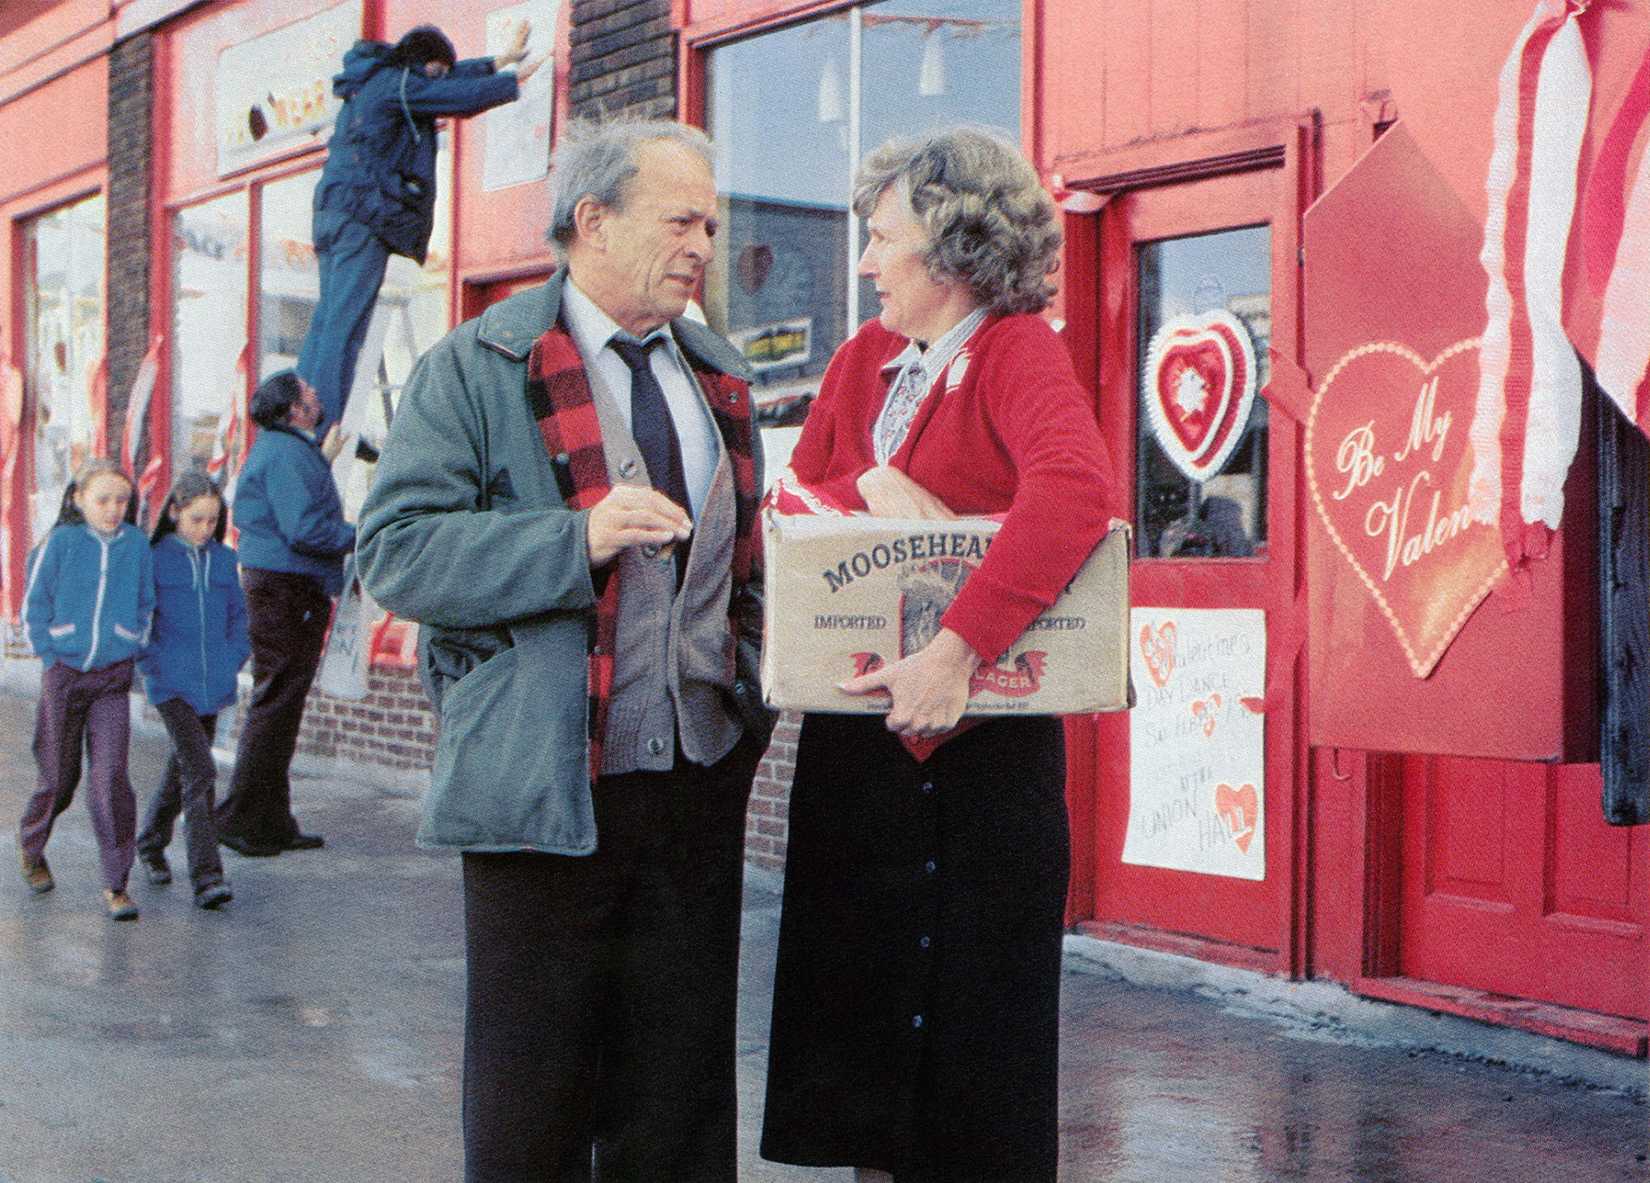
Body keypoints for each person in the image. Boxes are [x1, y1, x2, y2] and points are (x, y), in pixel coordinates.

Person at [356, 117, 771, 1182]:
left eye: (712, 226)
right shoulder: (477, 365)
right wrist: (571, 539)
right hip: (542, 785)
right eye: (681, 220)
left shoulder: (715, 371)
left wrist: (751, 695)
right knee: (532, 1099)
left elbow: (746, 565)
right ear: (593, 220)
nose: (704, 246)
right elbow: (395, 552)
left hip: (690, 783)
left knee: (677, 1098)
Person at [759, 127, 1118, 1183]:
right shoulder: (863, 360)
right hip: (862, 759)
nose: (865, 263)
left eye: (880, 239)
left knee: (976, 1076)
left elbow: (1076, 494)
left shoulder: (1016, 350)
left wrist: (956, 648)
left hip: (982, 765)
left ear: (955, 250)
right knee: (867, 1066)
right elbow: (795, 494)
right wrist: (873, 490)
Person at [298, 22, 545, 428]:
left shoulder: (375, 82)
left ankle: (296, 415)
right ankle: (320, 427)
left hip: (333, 215)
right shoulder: (398, 85)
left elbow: (444, 82)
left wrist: (498, 62)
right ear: (422, 65)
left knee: (327, 323)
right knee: (345, 330)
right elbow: (450, 94)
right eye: (436, 72)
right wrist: (509, 82)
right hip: (363, 217)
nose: (438, 82)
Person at [214, 371, 353, 858]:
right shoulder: (289, 453)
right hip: (286, 588)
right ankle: (241, 819)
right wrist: (358, 534)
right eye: (308, 391)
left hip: (277, 584)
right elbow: (305, 530)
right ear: (295, 409)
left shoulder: (283, 449)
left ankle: (269, 822)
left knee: (280, 705)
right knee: (277, 704)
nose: (317, 393)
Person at [19, 458, 154, 921]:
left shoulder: (136, 544)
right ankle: (32, 846)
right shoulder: (60, 543)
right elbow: (34, 604)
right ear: (79, 499)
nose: (114, 509)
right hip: (64, 675)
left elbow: (145, 601)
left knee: (111, 777)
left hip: (112, 678)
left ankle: (117, 884)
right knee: (58, 776)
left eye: (122, 500)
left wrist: (132, 641)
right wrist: (51, 652)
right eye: (103, 499)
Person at [135, 472, 249, 910]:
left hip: (213, 683)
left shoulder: (224, 560)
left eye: (213, 520)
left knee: (183, 767)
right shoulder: (154, 559)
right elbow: (143, 620)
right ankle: (207, 876)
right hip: (170, 685)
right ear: (174, 512)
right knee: (201, 770)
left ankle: (149, 841)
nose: (205, 528)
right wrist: (152, 665)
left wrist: (233, 656)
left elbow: (239, 617)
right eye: (196, 519)